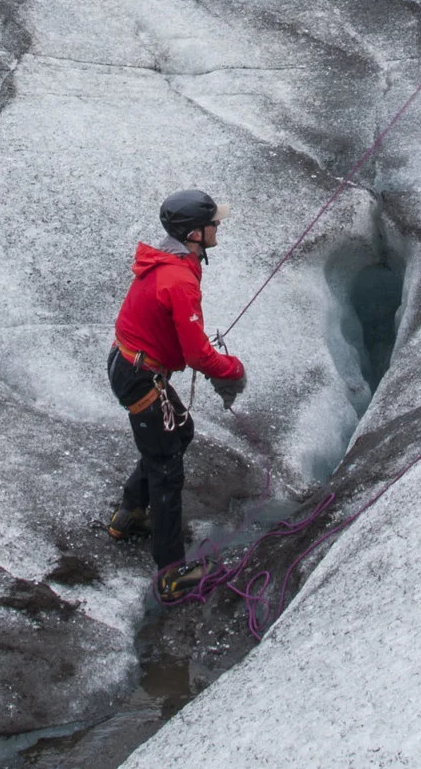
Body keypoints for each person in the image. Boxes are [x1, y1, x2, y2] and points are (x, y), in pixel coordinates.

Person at [107, 189, 247, 603]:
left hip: (133, 365)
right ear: (194, 234)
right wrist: (232, 370)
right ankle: (171, 575)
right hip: (141, 377)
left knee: (178, 434)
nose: (218, 226)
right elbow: (196, 355)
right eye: (212, 223)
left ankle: (130, 513)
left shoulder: (172, 262)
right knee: (166, 466)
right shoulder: (178, 278)